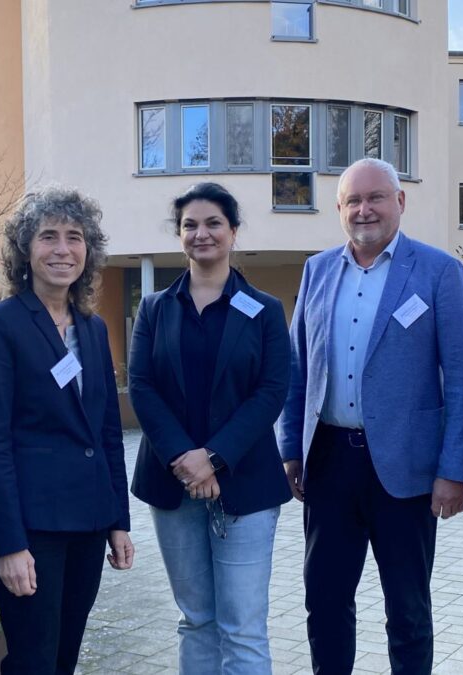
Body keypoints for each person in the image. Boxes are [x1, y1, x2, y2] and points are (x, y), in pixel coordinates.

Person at [278, 158, 463, 674]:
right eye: (353, 200)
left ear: (400, 202)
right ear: (339, 209)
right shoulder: (317, 270)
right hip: (327, 463)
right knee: (324, 603)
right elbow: (296, 367)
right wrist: (288, 448)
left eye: (375, 198)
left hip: (407, 472)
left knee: (408, 610)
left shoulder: (438, 271)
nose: (364, 209)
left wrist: (454, 469)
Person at [0, 185, 134, 674]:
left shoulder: (93, 328)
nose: (62, 249)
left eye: (74, 237)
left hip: (88, 523)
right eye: (48, 237)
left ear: (89, 249)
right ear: (26, 249)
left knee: (64, 658)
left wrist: (118, 520)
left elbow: (107, 434)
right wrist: (9, 543)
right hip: (33, 529)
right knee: (32, 662)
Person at [128, 182, 291, 674]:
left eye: (213, 223)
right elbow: (142, 386)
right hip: (172, 483)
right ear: (179, 235)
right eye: (190, 225)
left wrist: (213, 457)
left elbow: (271, 392)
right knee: (196, 619)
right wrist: (186, 460)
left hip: (246, 484)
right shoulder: (155, 308)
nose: (202, 234)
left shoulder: (264, 310)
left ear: (233, 232)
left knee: (242, 625)